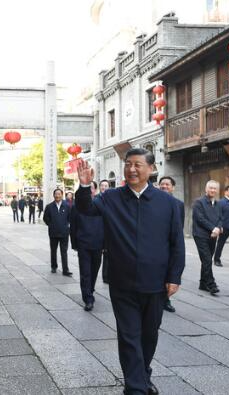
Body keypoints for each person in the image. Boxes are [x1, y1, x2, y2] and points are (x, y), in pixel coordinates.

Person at [75, 150, 185, 395]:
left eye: (137, 165)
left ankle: (142, 374)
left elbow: (177, 242)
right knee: (128, 335)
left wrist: (174, 276)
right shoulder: (111, 197)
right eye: (128, 165)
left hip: (156, 283)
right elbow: (85, 210)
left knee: (149, 335)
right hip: (122, 281)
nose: (132, 169)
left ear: (151, 168)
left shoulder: (168, 203)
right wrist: (84, 186)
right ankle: (135, 387)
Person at [70, 181, 103, 311]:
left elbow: (107, 225)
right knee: (85, 272)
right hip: (83, 244)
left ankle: (90, 289)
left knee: (94, 270)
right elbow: (73, 226)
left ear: (95, 191)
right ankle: (88, 299)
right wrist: (74, 243)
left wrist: (106, 244)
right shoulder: (76, 206)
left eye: (92, 189)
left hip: (98, 243)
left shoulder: (101, 204)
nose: (90, 192)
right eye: (87, 189)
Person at [159, 176, 185, 313]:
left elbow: (179, 226)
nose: (164, 186)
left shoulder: (179, 204)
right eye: (162, 184)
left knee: (170, 271)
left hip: (171, 243)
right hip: (158, 243)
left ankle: (166, 299)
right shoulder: (154, 201)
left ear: (173, 187)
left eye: (167, 184)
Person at [192, 180, 223, 295]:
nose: (213, 190)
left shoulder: (218, 204)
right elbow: (200, 219)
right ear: (206, 189)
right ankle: (211, 284)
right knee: (206, 259)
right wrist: (213, 228)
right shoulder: (198, 202)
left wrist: (219, 228)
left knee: (207, 259)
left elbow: (220, 218)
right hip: (200, 235)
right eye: (211, 188)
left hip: (213, 235)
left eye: (215, 188)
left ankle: (203, 283)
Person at [43, 188, 72, 276]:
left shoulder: (67, 206)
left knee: (64, 252)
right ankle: (54, 267)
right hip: (53, 233)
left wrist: (66, 226)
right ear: (53, 195)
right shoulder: (49, 206)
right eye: (56, 194)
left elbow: (70, 218)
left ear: (62, 195)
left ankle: (65, 270)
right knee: (53, 251)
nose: (57, 196)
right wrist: (51, 225)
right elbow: (45, 218)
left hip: (64, 233)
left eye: (59, 194)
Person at [98, 179, 110, 284]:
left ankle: (106, 276)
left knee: (108, 254)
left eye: (106, 186)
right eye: (102, 186)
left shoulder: (112, 199)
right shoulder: (96, 199)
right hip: (98, 231)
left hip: (109, 231)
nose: (104, 188)